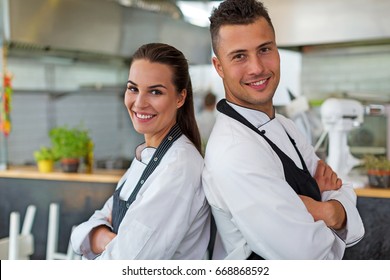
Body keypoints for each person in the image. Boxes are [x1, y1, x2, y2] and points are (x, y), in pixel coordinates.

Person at [202, 0, 364, 260]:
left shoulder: (285, 126)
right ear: (219, 66)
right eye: (239, 56)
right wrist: (335, 212)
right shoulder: (234, 151)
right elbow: (308, 256)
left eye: (264, 49)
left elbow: (341, 186)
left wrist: (328, 211)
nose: (257, 68)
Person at [71, 43, 210, 260]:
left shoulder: (179, 167)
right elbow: (87, 229)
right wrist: (107, 239)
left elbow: (127, 263)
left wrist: (103, 237)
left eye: (155, 91)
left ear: (180, 98)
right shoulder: (147, 155)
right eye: (133, 88)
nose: (139, 102)